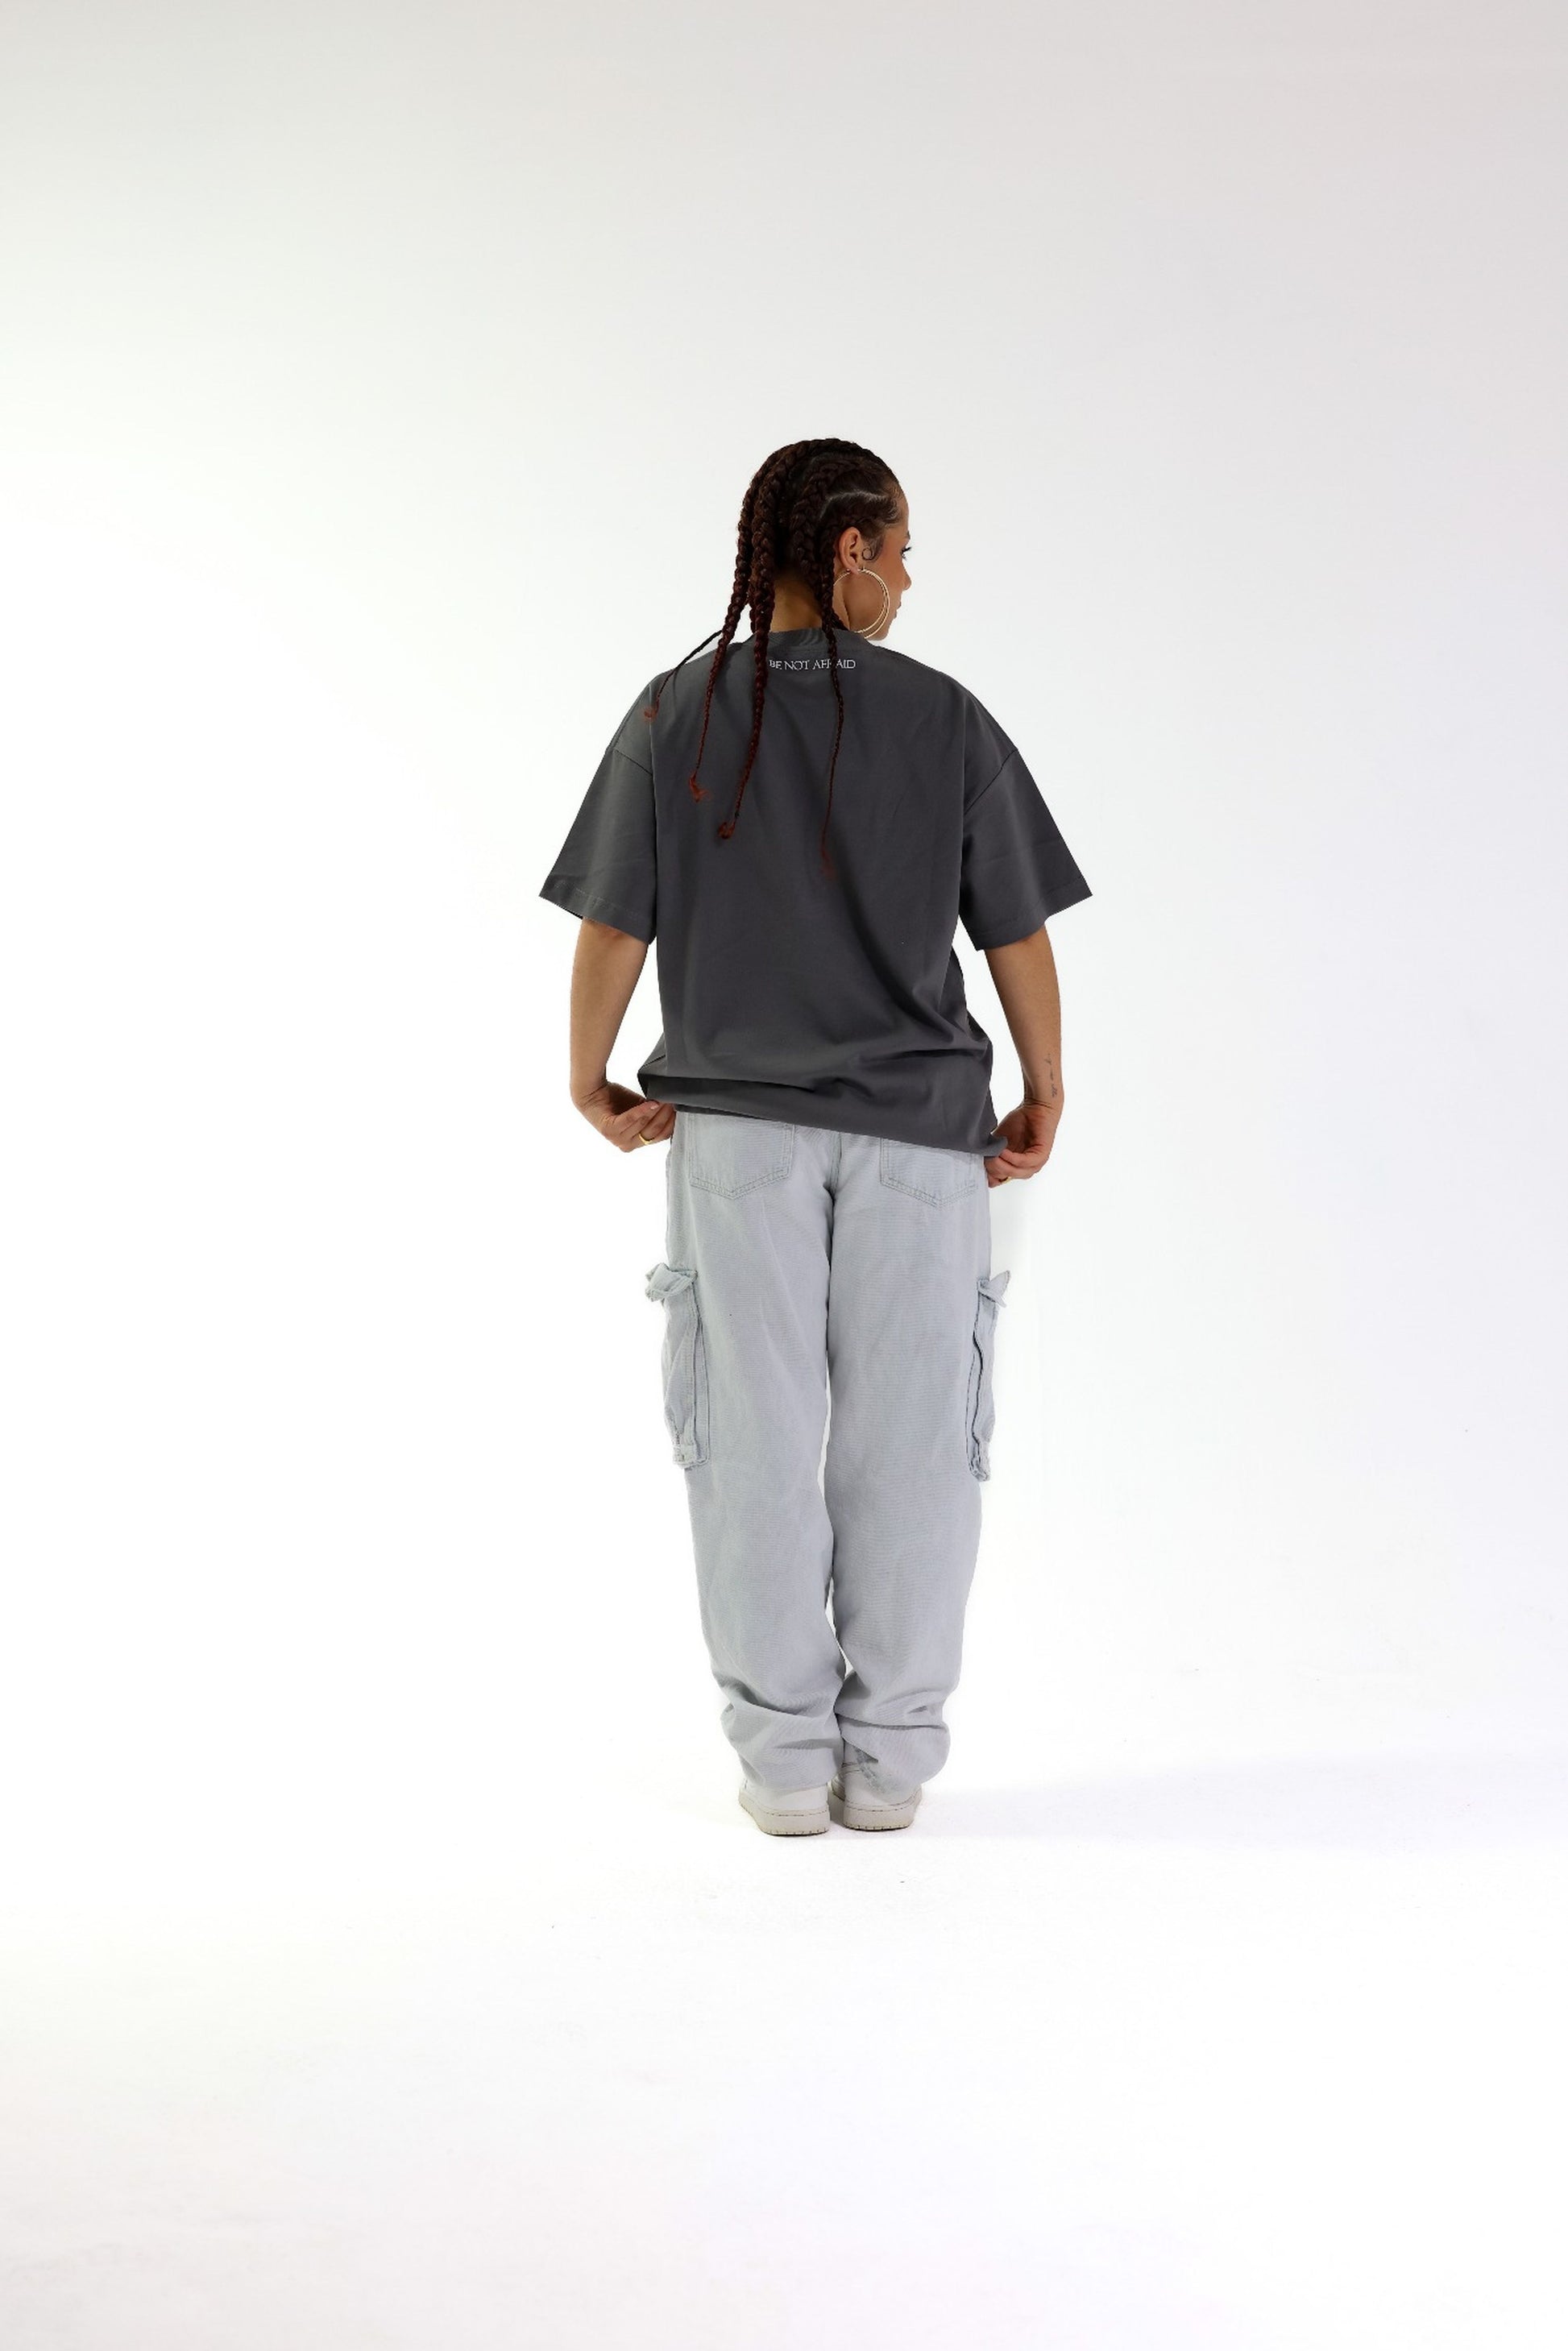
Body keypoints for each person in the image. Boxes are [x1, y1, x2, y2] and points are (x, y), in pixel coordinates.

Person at [539, 438, 1091, 1837]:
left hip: (736, 1140)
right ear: (850, 547)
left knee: (750, 1443)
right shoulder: (945, 718)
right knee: (916, 1447)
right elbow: (1015, 930)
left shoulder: (674, 712)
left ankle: (784, 1763)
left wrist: (588, 1076)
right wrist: (1044, 1085)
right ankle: (889, 1762)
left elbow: (611, 924)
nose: (905, 579)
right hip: (919, 1143)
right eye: (899, 551)